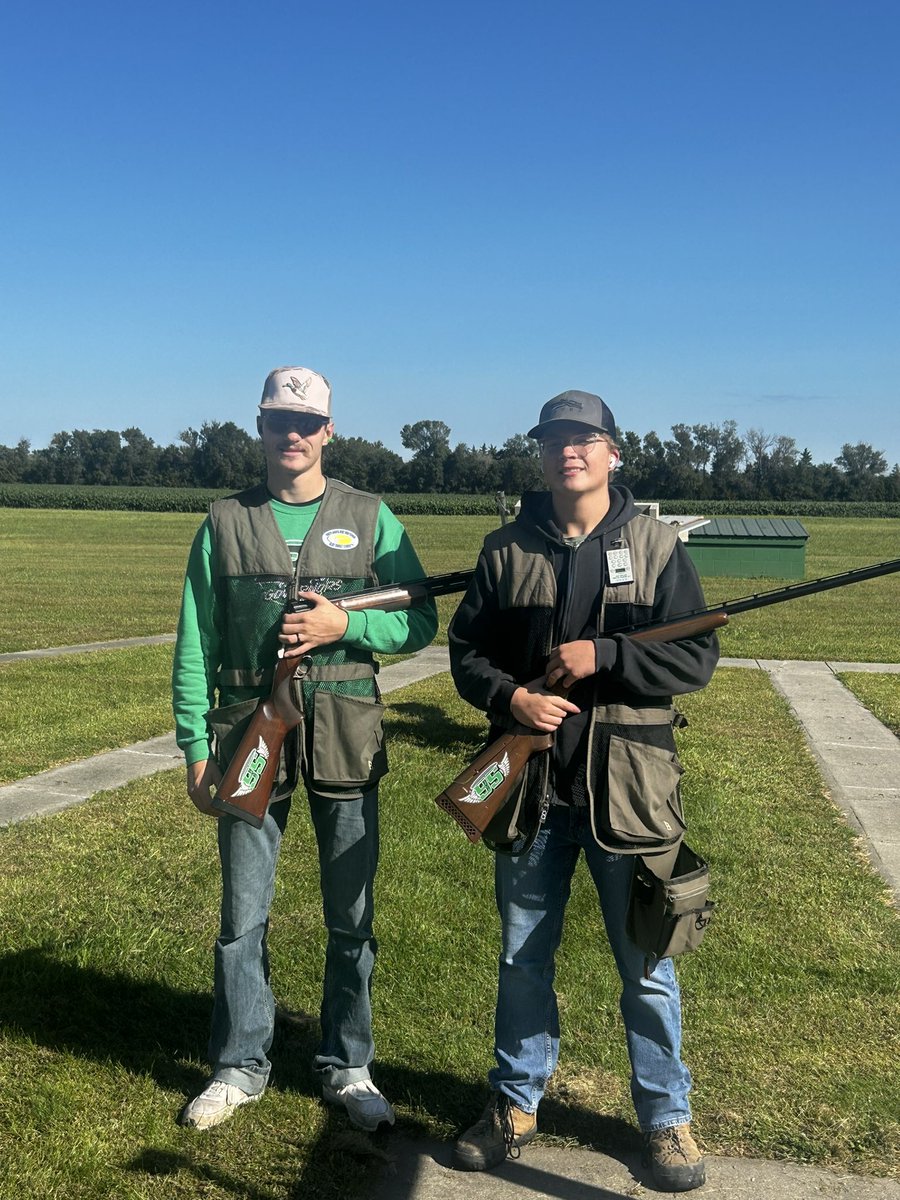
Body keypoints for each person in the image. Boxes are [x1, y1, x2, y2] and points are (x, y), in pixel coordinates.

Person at [447, 390, 719, 1191]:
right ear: (541, 454)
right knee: (522, 959)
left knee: (647, 963)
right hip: (533, 794)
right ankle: (515, 1104)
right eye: (555, 440)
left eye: (584, 440)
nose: (570, 452)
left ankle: (667, 1119)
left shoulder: (657, 545)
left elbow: (695, 659)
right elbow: (468, 655)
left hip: (629, 795)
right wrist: (511, 700)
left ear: (613, 453)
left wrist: (609, 656)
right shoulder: (504, 551)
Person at [173, 365, 437, 1132]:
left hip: (345, 737)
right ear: (259, 427)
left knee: (351, 913)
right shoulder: (222, 522)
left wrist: (345, 625)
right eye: (275, 420)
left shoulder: (372, 516)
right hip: (247, 739)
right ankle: (238, 1063)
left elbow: (418, 621)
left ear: (327, 431)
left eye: (304, 422)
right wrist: (196, 746)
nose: (290, 434)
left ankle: (347, 1063)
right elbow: (194, 643)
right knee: (240, 915)